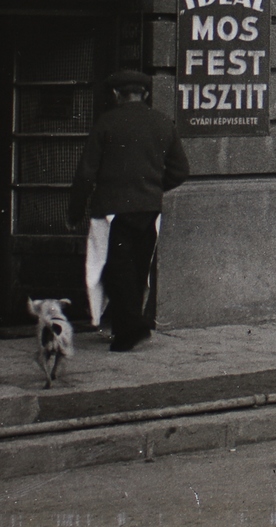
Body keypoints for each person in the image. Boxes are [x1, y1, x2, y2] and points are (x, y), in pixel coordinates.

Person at [67, 71, 189, 351]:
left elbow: (86, 173)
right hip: (148, 209)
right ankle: (126, 331)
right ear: (145, 94)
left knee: (113, 270)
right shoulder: (163, 123)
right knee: (136, 269)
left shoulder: (106, 123)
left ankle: (131, 327)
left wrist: (75, 211)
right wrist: (154, 187)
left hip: (112, 211)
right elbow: (181, 170)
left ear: (116, 94)